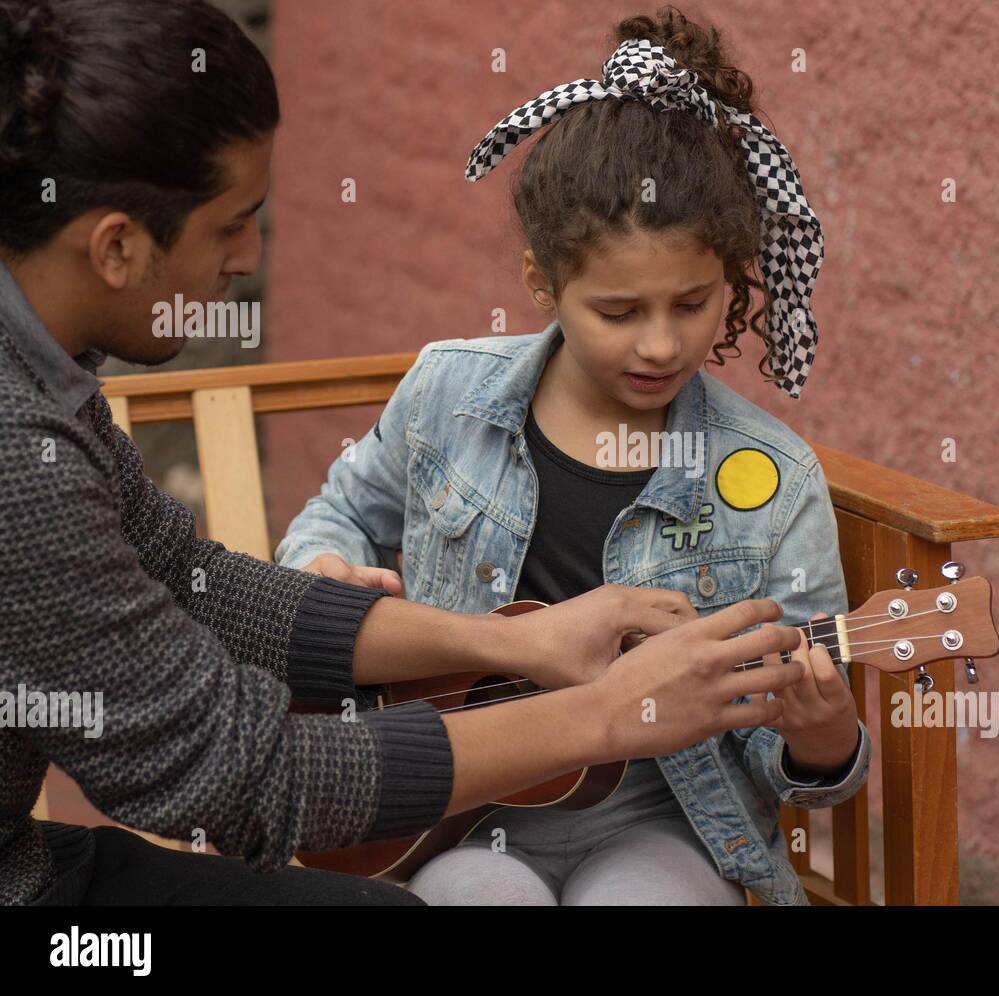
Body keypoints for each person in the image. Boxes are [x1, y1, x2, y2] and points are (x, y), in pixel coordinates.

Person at [0, 0, 809, 907]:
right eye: (233, 222)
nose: (247, 257)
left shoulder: (44, 375)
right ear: (115, 248)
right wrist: (604, 712)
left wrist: (515, 641)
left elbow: (193, 578)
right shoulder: (19, 456)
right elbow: (243, 778)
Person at [278, 6, 869, 906]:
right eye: (619, 312)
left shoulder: (772, 483)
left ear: (735, 280)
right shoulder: (447, 393)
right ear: (542, 283)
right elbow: (342, 514)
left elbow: (790, 759)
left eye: (694, 303)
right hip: (461, 799)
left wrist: (819, 739)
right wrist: (329, 567)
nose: (662, 345)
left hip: (661, 823)